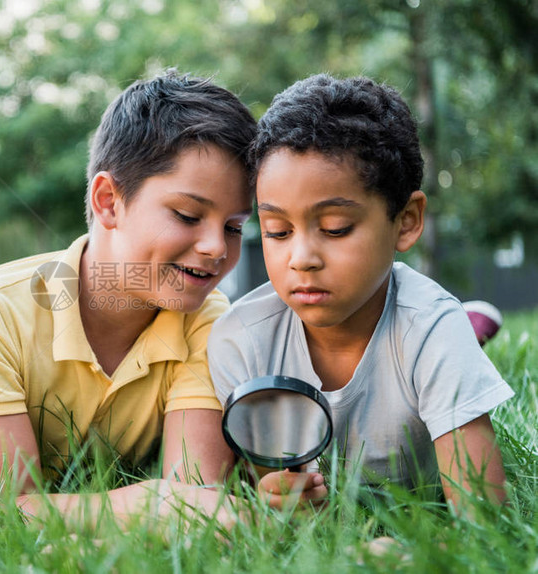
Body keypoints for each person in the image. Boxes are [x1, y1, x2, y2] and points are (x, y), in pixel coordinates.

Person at [0, 69, 256, 526]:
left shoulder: (211, 321)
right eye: (188, 215)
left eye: (234, 227)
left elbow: (196, 500)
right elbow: (3, 511)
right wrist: (151, 499)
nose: (217, 247)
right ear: (108, 201)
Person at [207, 74, 514, 513]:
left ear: (405, 221)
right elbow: (246, 490)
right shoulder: (240, 341)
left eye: (335, 228)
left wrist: (408, 556)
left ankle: (470, 329)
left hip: (423, 330)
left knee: (440, 330)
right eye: (277, 230)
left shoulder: (431, 331)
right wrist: (272, 499)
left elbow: (484, 517)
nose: (302, 258)